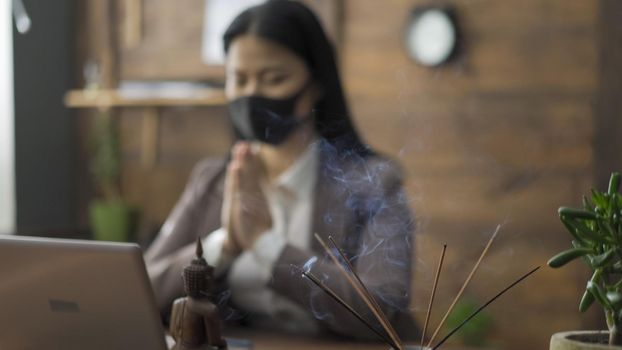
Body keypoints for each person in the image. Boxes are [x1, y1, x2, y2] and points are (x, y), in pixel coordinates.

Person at [146, 0, 416, 341]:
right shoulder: (213, 179)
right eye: (238, 79)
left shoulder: (375, 183)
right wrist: (224, 246)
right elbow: (142, 289)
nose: (252, 94)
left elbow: (380, 309)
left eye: (273, 79)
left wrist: (266, 245)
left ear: (315, 85)